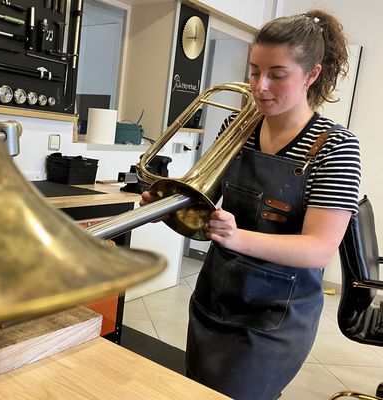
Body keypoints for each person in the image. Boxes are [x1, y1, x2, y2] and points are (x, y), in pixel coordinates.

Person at [140, 9, 361, 400]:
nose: (259, 86)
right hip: (214, 299)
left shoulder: (335, 147)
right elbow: (205, 208)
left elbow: (318, 248)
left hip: (273, 319)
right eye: (254, 70)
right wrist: (172, 205)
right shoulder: (238, 128)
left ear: (311, 75)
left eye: (277, 74)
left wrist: (236, 238)